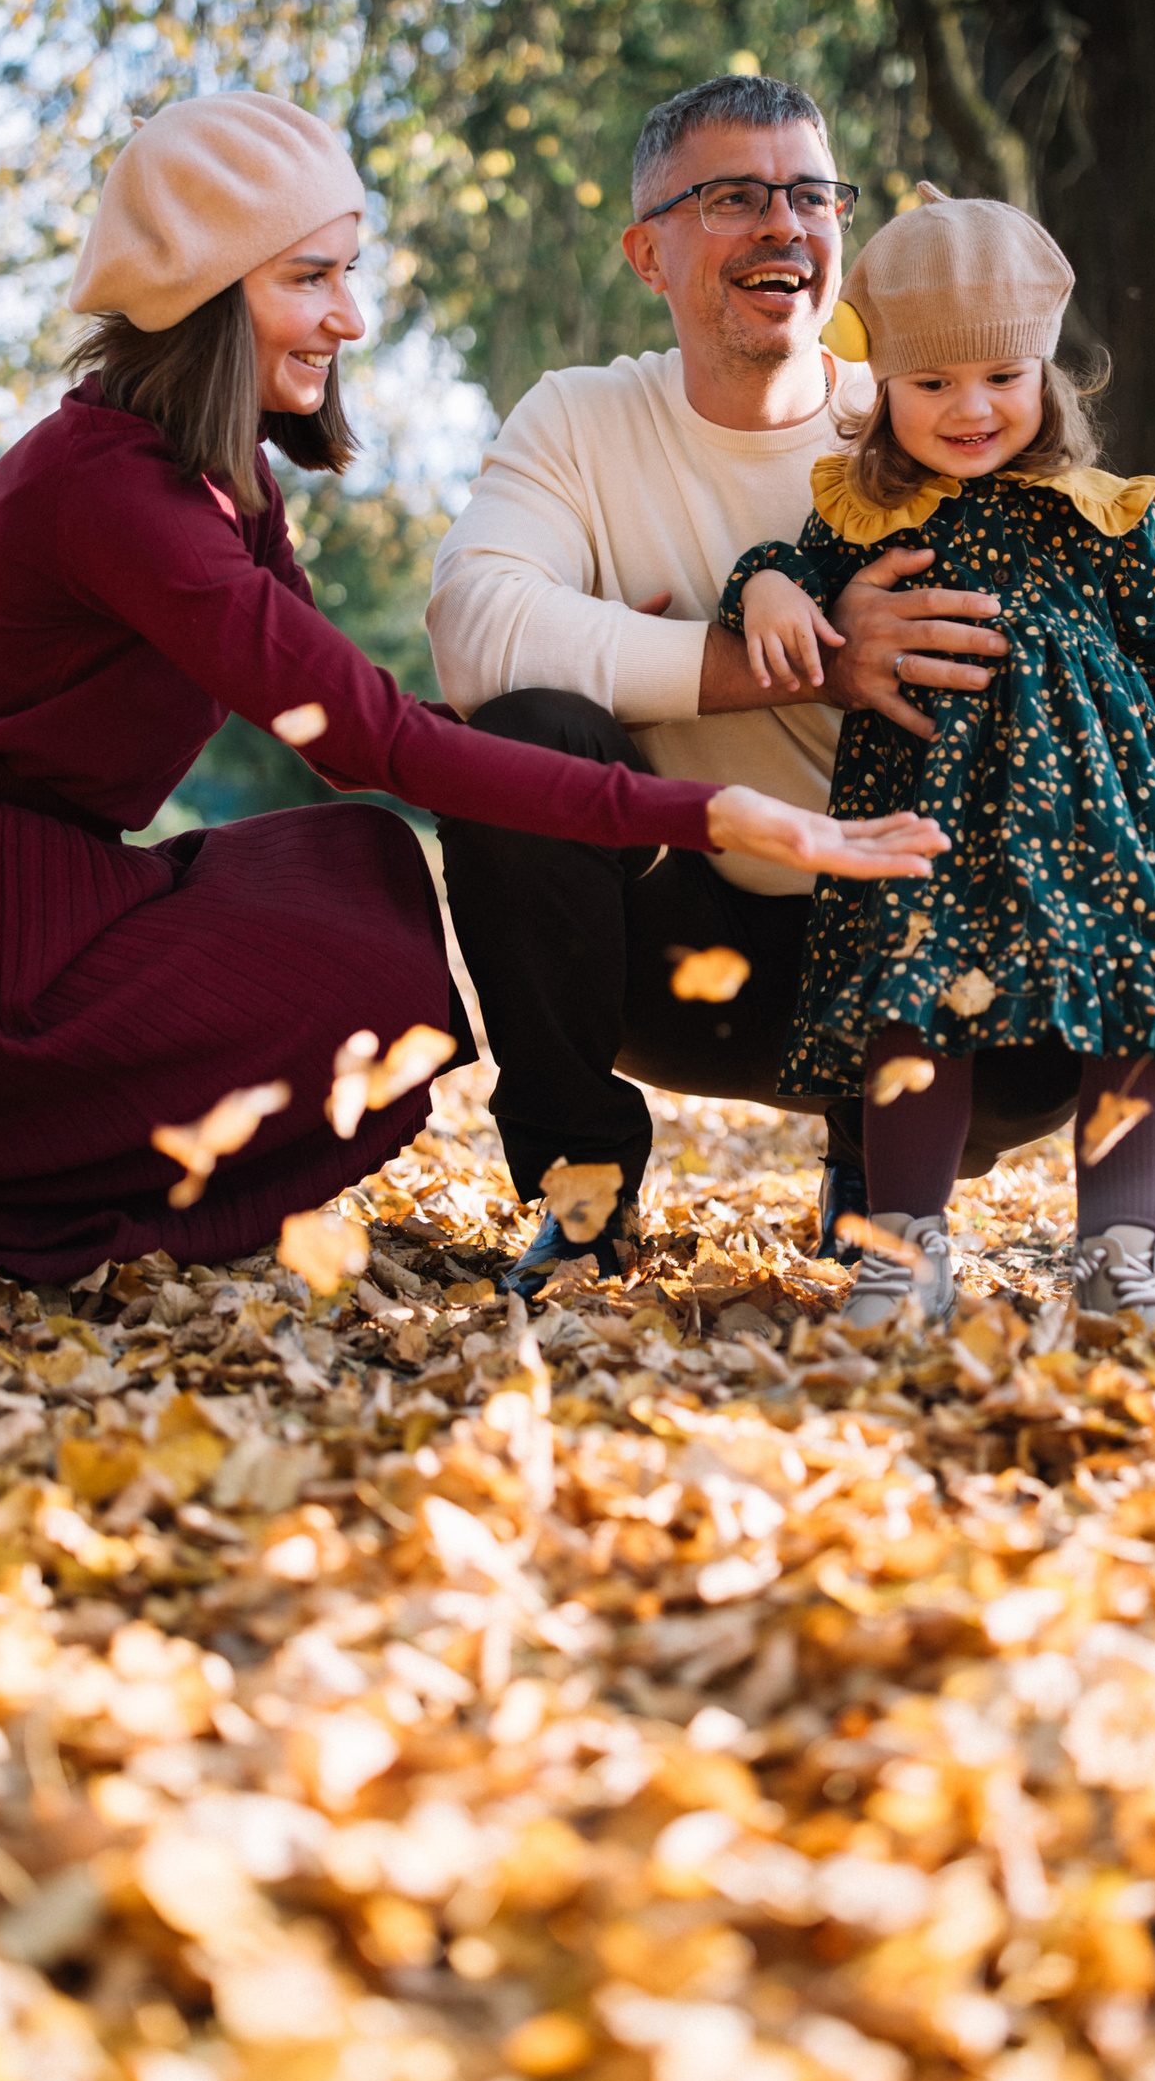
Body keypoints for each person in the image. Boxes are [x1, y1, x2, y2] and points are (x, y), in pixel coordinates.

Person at [0, 91, 941, 1282]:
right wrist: (700, 808)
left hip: (57, 896)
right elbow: (380, 743)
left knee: (356, 868)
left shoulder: (218, 481)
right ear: (205, 289)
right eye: (310, 279)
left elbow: (344, 740)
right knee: (372, 952)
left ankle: (2, 1196)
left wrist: (591, 705)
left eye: (348, 272)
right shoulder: (115, 493)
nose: (350, 315)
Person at [427, 71, 1084, 1290]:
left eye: (811, 193)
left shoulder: (935, 417)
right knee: (521, 737)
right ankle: (584, 1198)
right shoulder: (578, 421)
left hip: (912, 957)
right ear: (646, 251)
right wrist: (770, 666)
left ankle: (882, 1175)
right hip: (680, 955)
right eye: (732, 197)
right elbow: (474, 630)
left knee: (1054, 1021)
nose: (784, 225)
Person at [722, 185, 1155, 1332]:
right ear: (881, 389)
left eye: (1000, 376)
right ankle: (904, 1251)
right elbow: (781, 565)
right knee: (916, 1005)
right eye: (931, 384)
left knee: (1141, 1008)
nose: (970, 407)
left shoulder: (1102, 513)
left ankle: (1121, 1255)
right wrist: (763, 586)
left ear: (1046, 375)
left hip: (1110, 812)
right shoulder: (859, 515)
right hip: (930, 815)